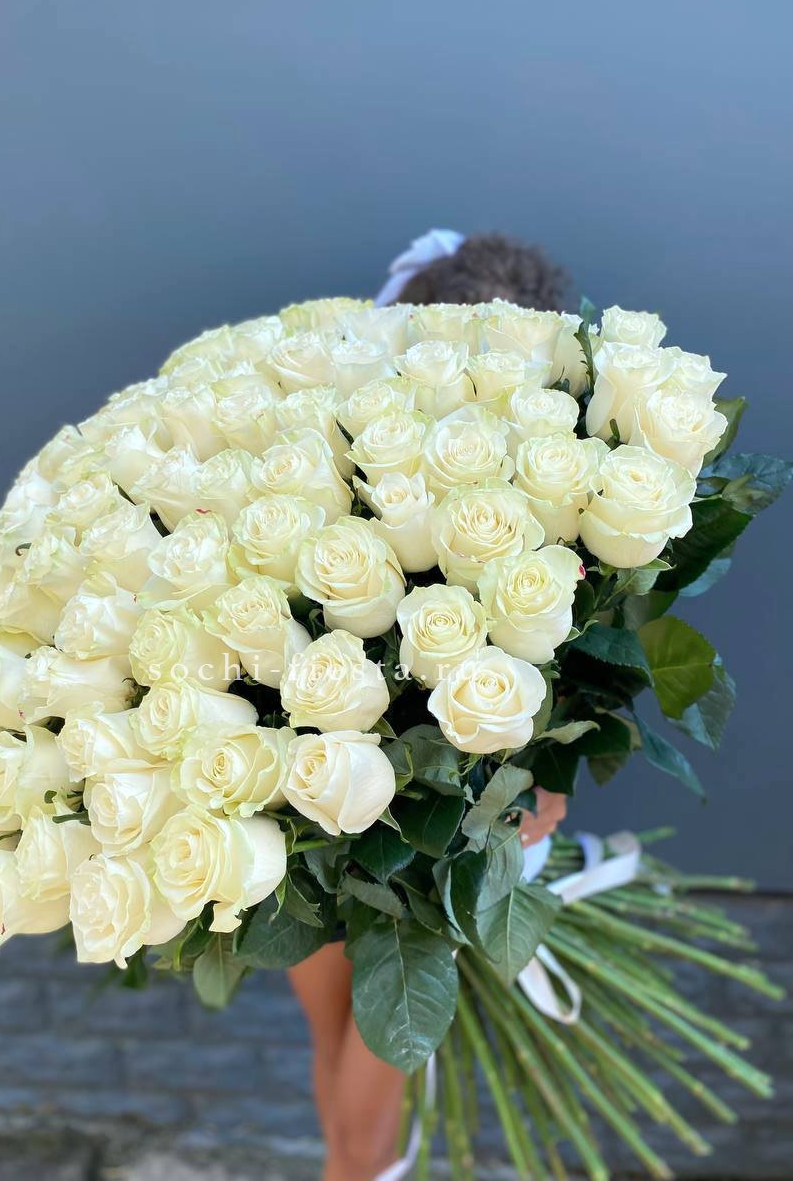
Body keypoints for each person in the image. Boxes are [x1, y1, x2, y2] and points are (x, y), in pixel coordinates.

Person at [288, 230, 571, 1181]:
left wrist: (539, 777)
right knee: (363, 1073)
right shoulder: (352, 440)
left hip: (364, 788)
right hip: (334, 783)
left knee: (351, 1057)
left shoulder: (528, 459)